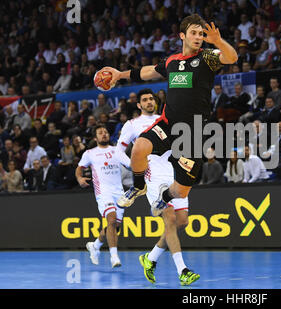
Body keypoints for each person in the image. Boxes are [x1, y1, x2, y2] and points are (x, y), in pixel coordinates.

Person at [99, 15, 237, 285]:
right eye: (194, 32)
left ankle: (165, 198)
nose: (199, 36)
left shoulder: (208, 57)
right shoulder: (173, 62)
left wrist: (218, 41)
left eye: (202, 33)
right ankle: (138, 186)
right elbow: (146, 71)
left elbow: (231, 58)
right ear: (182, 36)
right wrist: (120, 75)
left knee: (180, 193)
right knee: (140, 146)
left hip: (193, 133)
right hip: (170, 123)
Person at [117, 88, 192, 284]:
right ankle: (183, 271)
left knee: (182, 221)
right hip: (153, 177)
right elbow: (119, 151)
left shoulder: (166, 119)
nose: (149, 102)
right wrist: (136, 166)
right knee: (169, 218)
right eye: (145, 100)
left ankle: (150, 259)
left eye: (151, 99)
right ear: (139, 105)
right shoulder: (132, 125)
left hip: (175, 173)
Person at [76, 125, 131, 268]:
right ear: (96, 138)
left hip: (119, 193)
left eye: (106, 132)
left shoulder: (117, 151)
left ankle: (95, 245)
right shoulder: (90, 153)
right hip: (103, 192)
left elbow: (130, 164)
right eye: (100, 133)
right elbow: (79, 168)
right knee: (111, 220)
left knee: (115, 226)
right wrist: (79, 178)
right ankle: (114, 257)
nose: (104, 134)